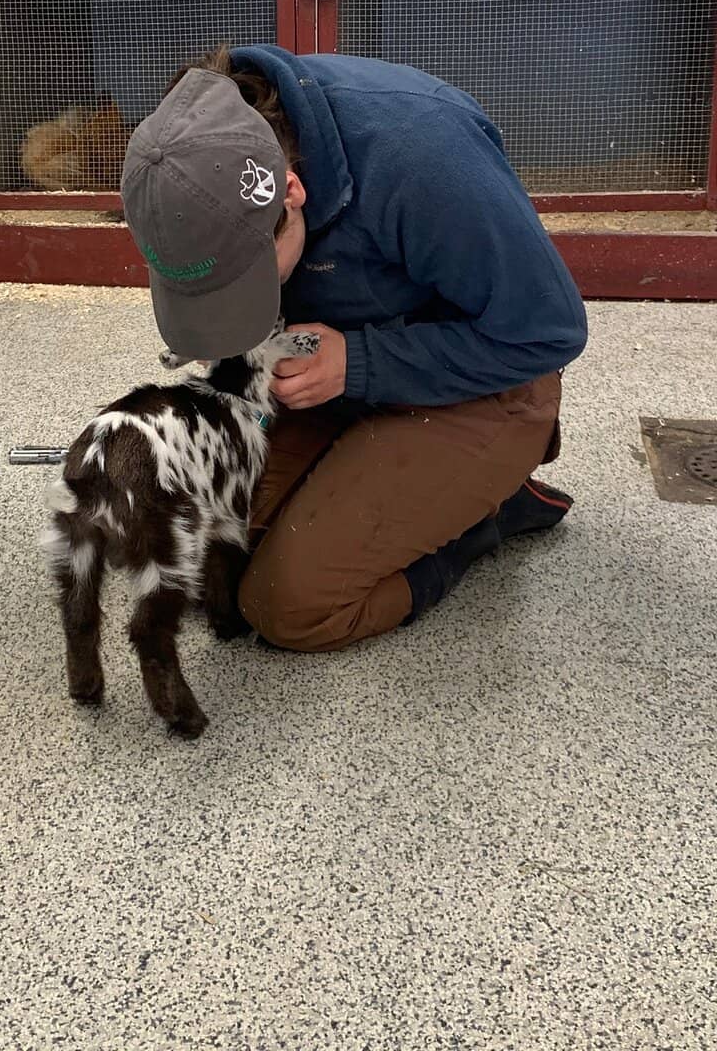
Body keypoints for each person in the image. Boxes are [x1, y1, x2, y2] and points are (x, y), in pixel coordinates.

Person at [119, 45, 588, 652]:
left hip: (480, 383)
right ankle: (376, 475)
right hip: (338, 384)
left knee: (286, 605)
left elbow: (548, 332)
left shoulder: (421, 155)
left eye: (248, 285)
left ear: (290, 193)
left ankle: (487, 513)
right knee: (203, 557)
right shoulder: (186, 157)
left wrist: (357, 363)